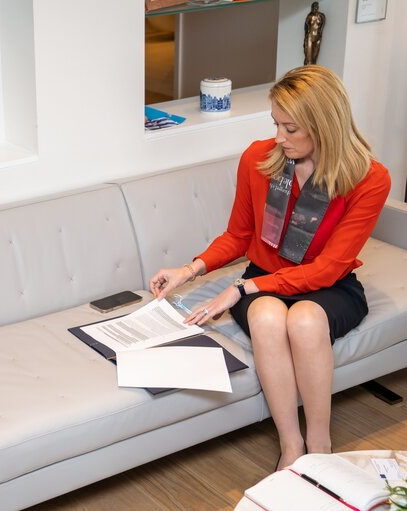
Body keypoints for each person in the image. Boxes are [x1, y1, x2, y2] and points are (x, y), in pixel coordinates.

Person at [148, 65, 390, 470]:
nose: (279, 137)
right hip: (263, 280)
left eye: (291, 128)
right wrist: (189, 271)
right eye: (276, 124)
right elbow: (239, 236)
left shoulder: (369, 179)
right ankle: (291, 447)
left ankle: (320, 447)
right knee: (267, 316)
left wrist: (240, 289)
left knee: (306, 322)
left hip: (330, 287)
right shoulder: (259, 160)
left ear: (324, 125)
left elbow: (329, 268)